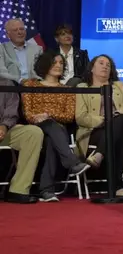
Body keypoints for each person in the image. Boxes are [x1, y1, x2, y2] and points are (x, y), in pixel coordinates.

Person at [21, 50, 90, 201]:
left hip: (58, 130)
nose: (58, 66)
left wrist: (49, 115)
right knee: (51, 127)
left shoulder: (67, 91)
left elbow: (69, 116)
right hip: (35, 128)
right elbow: (28, 113)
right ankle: (71, 163)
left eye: (61, 63)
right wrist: (40, 117)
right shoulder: (30, 84)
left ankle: (47, 191)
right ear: (45, 64)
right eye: (54, 62)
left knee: (53, 135)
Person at [75, 54, 123, 198]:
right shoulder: (83, 87)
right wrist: (104, 121)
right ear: (92, 68)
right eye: (101, 63)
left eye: (108, 65)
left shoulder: (119, 86)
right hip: (95, 131)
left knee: (120, 119)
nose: (105, 66)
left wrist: (115, 116)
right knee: (116, 140)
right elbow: (80, 117)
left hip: (122, 128)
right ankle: (116, 187)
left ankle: (98, 154)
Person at [0, 77, 43, 204]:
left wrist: (4, 126)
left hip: (5, 129)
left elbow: (11, 112)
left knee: (32, 133)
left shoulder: (6, 84)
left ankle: (18, 189)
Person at [0, 18, 42, 83]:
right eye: (15, 30)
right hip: (11, 88)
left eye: (21, 29)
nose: (19, 32)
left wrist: (36, 82)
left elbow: (42, 72)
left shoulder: (37, 49)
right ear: (8, 35)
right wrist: (20, 80)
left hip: (34, 87)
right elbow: (2, 72)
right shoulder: (2, 49)